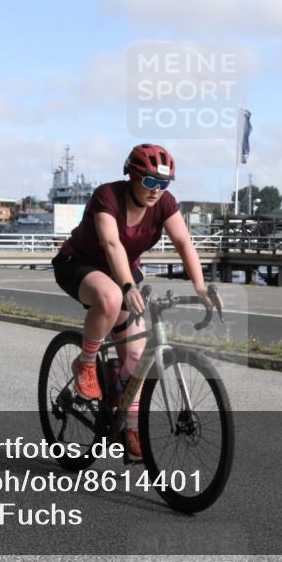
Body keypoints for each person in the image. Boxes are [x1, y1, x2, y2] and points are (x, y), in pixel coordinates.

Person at [51, 144, 219, 459]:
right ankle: (86, 363)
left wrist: (200, 286)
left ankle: (129, 425)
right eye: (150, 182)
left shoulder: (165, 204)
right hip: (79, 263)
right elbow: (111, 243)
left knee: (137, 356)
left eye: (164, 183)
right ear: (133, 175)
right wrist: (127, 285)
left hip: (124, 272)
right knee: (110, 296)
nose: (157, 191)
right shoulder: (107, 196)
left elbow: (183, 241)